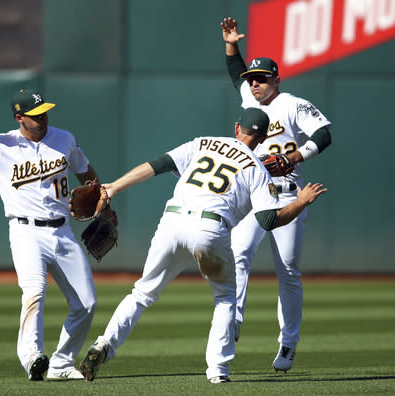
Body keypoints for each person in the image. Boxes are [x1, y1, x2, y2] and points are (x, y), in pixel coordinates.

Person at [77, 107, 327, 384]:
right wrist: (301, 201)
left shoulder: (202, 143)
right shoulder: (257, 169)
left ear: (236, 128)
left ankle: (103, 344)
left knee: (142, 293)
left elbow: (155, 166)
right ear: (264, 137)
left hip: (171, 222)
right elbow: (269, 220)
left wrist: (114, 187)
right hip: (210, 228)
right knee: (225, 298)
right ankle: (218, 372)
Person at [0, 89, 107, 381]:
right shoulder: (0, 143)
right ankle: (32, 358)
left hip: (63, 230)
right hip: (25, 231)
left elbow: (85, 173)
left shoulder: (64, 139)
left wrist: (103, 201)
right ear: (20, 118)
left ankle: (60, 364)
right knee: (35, 292)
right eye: (35, 115)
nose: (42, 117)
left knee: (86, 303)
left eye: (44, 111)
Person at [220, 17, 332, 372]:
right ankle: (233, 321)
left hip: (286, 194)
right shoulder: (248, 95)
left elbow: (324, 134)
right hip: (253, 194)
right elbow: (235, 70)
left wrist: (294, 156)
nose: (254, 84)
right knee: (238, 253)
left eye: (261, 79)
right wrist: (231, 45)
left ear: (276, 80)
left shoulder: (293, 104)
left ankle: (288, 344)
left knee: (288, 271)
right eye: (251, 80)